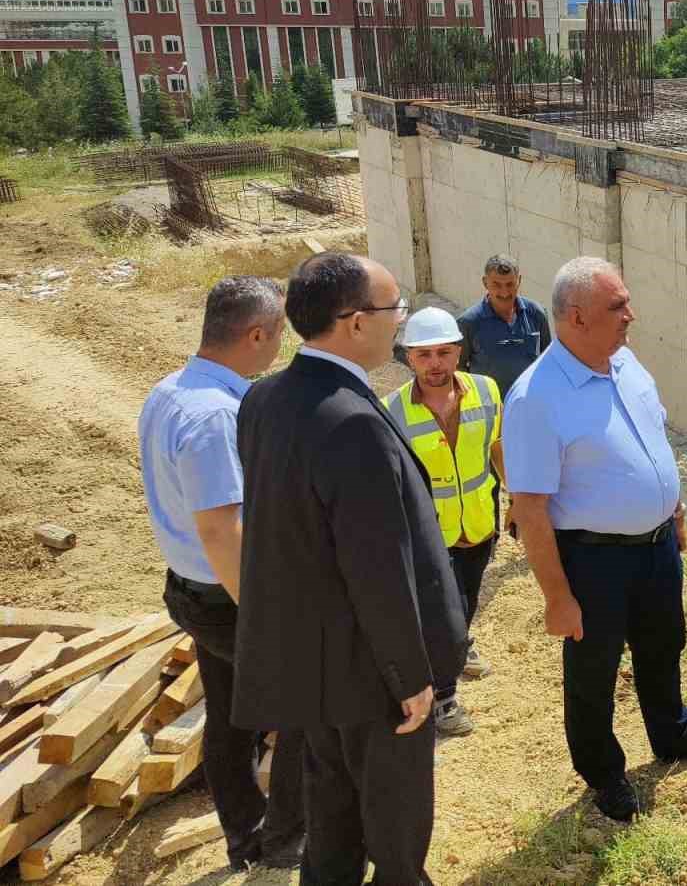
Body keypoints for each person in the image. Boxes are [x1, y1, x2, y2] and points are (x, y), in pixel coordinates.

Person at [234, 253, 466, 886]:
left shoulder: (263, 399)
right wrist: (410, 676)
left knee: (332, 823)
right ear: (356, 322)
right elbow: (377, 566)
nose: (402, 323)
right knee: (395, 835)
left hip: (316, 666)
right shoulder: (354, 421)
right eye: (396, 310)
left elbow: (289, 539)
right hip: (373, 677)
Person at [502, 256, 687, 824]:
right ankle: (603, 773)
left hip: (656, 547)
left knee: (664, 645)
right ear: (577, 317)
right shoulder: (536, 397)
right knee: (594, 672)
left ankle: (673, 736)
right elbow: (530, 509)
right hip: (593, 560)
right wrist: (557, 598)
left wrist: (674, 512)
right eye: (618, 307)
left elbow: (652, 444)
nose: (631, 314)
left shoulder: (626, 363)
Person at [137, 276, 306, 871]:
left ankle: (244, 834)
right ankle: (283, 839)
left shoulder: (169, 392)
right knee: (302, 711)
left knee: (233, 712)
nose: (280, 347)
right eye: (278, 334)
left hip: (193, 588)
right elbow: (220, 529)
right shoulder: (214, 416)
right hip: (229, 596)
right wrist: (263, 614)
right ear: (256, 334)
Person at [383, 306, 505, 739]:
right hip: (427, 536)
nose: (435, 364)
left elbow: (496, 448)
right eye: (424, 355)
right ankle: (444, 698)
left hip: (477, 525)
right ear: (408, 358)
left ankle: (458, 645)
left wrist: (517, 502)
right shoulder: (390, 412)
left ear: (458, 351)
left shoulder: (487, 392)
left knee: (465, 602)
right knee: (440, 615)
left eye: (444, 352)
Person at [458, 254, 553, 397]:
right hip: (489, 411)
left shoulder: (536, 314)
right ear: (485, 283)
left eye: (510, 284)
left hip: (528, 406)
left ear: (519, 280)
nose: (504, 292)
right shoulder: (468, 323)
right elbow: (459, 370)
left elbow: (547, 361)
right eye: (497, 284)